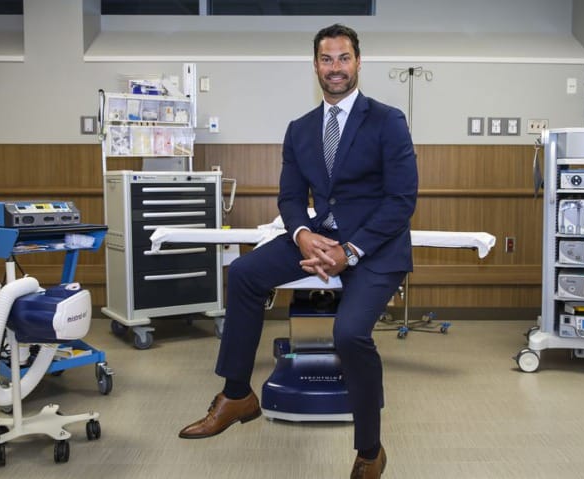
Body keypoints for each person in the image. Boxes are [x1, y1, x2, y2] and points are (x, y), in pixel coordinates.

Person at [178, 23, 418, 479]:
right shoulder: (301, 129)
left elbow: (402, 200)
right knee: (244, 273)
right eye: (326, 59)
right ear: (315, 66)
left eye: (343, 58)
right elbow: (290, 197)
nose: (335, 68)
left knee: (350, 334)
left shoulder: (387, 121)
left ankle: (370, 451)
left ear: (358, 62)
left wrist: (351, 250)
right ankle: (237, 395)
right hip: (319, 236)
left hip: (374, 246)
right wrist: (303, 234)